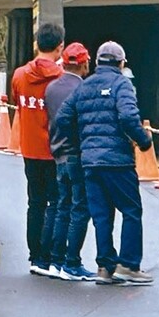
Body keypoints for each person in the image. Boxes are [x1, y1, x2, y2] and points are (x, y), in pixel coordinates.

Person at [52, 40, 155, 286]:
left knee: (101, 215)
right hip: (117, 161)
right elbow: (129, 118)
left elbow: (62, 118)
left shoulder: (83, 87)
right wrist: (144, 141)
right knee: (131, 211)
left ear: (97, 63)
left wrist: (84, 139)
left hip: (90, 162)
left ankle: (105, 267)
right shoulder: (122, 84)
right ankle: (129, 265)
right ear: (121, 63)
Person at [11, 23, 66, 277]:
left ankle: (34, 256)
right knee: (56, 202)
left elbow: (17, 105)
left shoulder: (20, 75)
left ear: (37, 44)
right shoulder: (61, 78)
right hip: (55, 151)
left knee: (35, 203)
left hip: (29, 149)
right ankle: (50, 256)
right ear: (59, 47)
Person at [43, 42, 95, 282]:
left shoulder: (51, 89)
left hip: (57, 153)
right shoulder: (84, 90)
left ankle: (56, 260)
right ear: (84, 64)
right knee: (79, 208)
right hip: (76, 154)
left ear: (63, 63)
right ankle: (72, 262)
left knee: (62, 206)